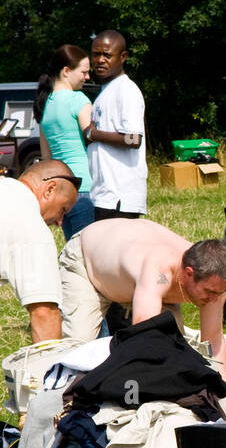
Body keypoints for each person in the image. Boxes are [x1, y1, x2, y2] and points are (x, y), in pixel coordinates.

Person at [58, 220, 226, 417]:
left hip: (135, 278)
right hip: (88, 264)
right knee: (76, 351)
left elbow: (214, 342)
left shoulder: (215, 282)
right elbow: (144, 340)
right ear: (189, 273)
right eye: (209, 292)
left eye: (220, 293)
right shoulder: (158, 271)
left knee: (175, 352)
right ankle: (56, 404)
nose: (214, 299)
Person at [0, 159, 79, 342]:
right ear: (50, 189)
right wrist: (49, 369)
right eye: (63, 210)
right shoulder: (31, 228)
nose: (60, 222)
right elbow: (44, 313)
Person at [33, 43, 95, 240]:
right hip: (85, 185)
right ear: (67, 71)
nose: (87, 77)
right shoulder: (78, 100)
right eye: (84, 72)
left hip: (62, 189)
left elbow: (46, 158)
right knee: (89, 249)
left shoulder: (45, 104)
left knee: (73, 249)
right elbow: (93, 141)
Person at [84, 29, 147, 219]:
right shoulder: (106, 91)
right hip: (103, 195)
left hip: (120, 197)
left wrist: (93, 134)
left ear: (123, 57)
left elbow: (133, 138)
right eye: (96, 54)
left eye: (107, 55)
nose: (100, 60)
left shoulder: (126, 90)